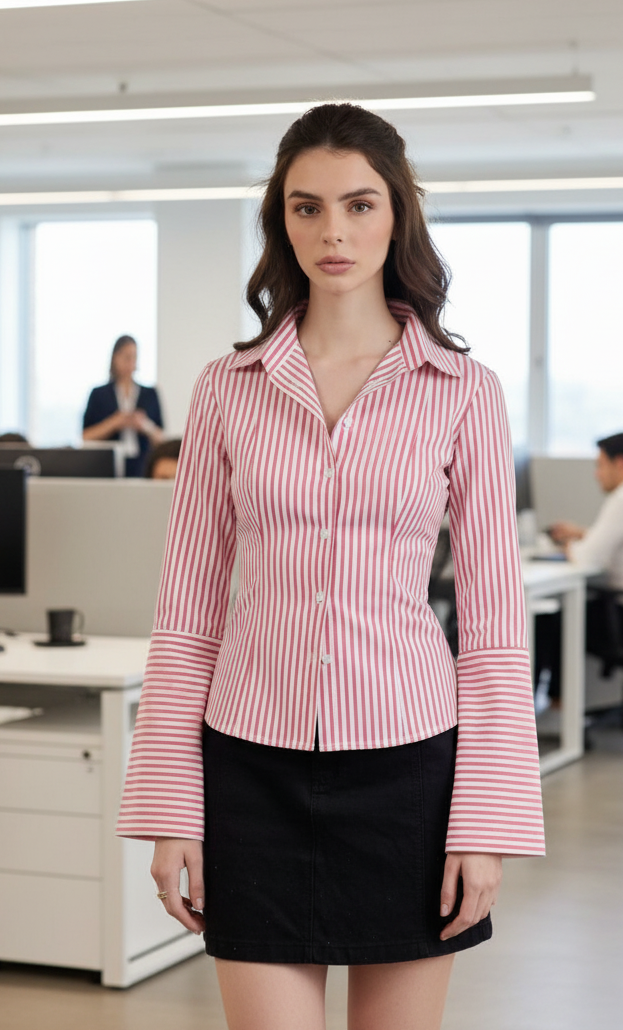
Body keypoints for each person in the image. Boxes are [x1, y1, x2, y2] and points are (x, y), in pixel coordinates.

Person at [117, 103, 544, 1030]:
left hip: (409, 770)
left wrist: (486, 824)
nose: (334, 232)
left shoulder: (462, 392)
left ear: (397, 214)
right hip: (250, 767)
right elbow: (186, 616)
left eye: (359, 204)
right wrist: (169, 809)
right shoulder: (226, 389)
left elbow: (495, 629)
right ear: (281, 220)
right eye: (306, 208)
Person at [538, 432, 623, 703]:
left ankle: (551, 705)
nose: (596, 474)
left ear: (620, 463)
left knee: (549, 619)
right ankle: (553, 702)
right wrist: (581, 534)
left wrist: (567, 547)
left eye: (600, 465)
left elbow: (587, 558)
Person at [82, 335, 164, 477]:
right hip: (106, 467)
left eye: (133, 357)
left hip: (142, 466)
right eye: (126, 357)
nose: (130, 362)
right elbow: (86, 436)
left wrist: (144, 425)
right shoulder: (99, 394)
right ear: (115, 358)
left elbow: (161, 438)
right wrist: (115, 422)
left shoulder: (150, 394)